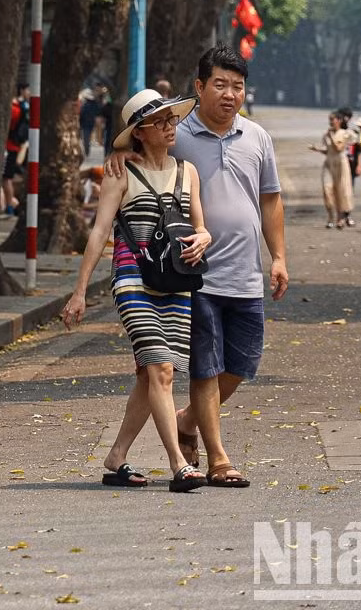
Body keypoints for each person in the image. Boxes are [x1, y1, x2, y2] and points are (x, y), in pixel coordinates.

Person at [107, 46, 285, 488]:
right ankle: (218, 458)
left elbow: (270, 199)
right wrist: (118, 155)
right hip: (191, 274)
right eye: (220, 85)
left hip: (246, 273)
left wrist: (278, 256)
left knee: (241, 365)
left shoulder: (257, 137)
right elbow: (138, 143)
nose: (229, 94)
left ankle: (187, 421)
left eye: (238, 86)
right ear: (200, 87)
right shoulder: (176, 133)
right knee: (204, 366)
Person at [64, 88, 211, 491]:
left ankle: (116, 458)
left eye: (172, 120)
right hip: (132, 280)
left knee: (151, 376)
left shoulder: (188, 172)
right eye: (159, 122)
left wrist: (203, 239)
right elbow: (98, 234)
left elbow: (200, 227)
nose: (169, 127)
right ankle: (179, 465)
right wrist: (79, 292)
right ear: (139, 133)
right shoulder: (120, 173)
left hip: (178, 284)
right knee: (161, 369)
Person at [308, 109, 354, 229]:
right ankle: (330, 217)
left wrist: (331, 136)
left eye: (332, 120)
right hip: (329, 163)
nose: (331, 122)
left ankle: (341, 218)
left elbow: (338, 148)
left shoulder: (345, 133)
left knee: (341, 190)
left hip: (341, 164)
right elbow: (328, 150)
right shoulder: (326, 135)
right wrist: (317, 149)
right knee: (327, 189)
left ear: (339, 120)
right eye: (330, 120)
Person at [1, 82, 28, 216]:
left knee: (6, 178)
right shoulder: (20, 107)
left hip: (9, 147)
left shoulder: (14, 109)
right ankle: (8, 203)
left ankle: (10, 204)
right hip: (13, 146)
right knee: (6, 178)